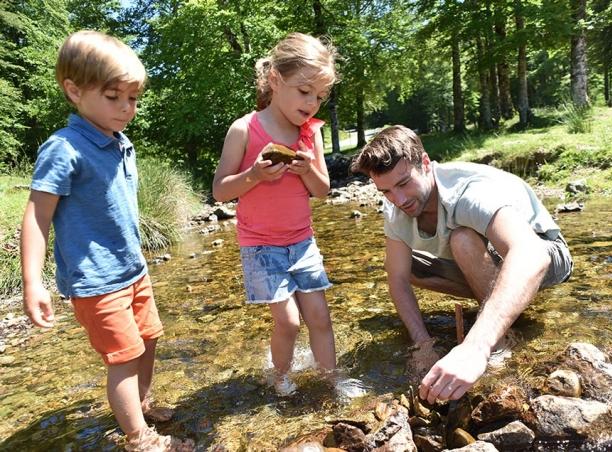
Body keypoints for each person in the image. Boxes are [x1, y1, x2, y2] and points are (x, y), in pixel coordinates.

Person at [20, 30, 194, 451]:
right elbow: (36, 216)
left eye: (133, 99)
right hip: (96, 280)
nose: (126, 108)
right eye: (114, 97)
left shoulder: (120, 142)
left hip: (132, 269)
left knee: (149, 339)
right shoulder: (64, 149)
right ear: (74, 91)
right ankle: (139, 438)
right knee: (123, 357)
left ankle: (142, 403)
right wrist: (33, 282)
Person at [350, 125, 573, 403]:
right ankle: (499, 303)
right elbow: (397, 278)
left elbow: (531, 254)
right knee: (408, 266)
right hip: (496, 259)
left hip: (546, 252)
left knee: (463, 239)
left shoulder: (468, 193)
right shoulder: (395, 205)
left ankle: (500, 338)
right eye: (386, 192)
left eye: (404, 183)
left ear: (426, 164)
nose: (399, 200)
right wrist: (423, 344)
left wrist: (476, 346)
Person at [212, 32, 343, 396]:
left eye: (319, 96)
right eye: (304, 92)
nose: (312, 103)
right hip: (260, 246)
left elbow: (323, 190)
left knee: (319, 316)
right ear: (275, 80)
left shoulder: (309, 134)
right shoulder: (244, 128)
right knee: (288, 322)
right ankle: (281, 377)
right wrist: (253, 175)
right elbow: (220, 190)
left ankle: (331, 380)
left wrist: (307, 170)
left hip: (302, 242)